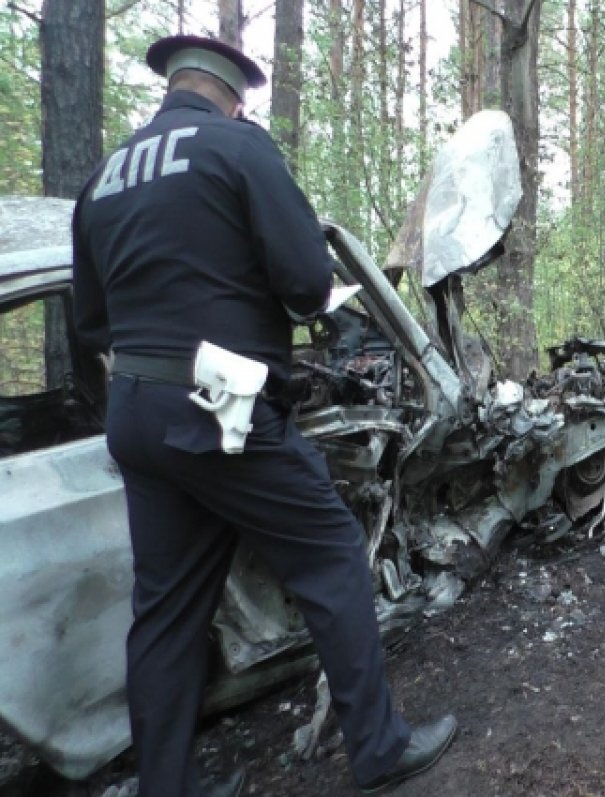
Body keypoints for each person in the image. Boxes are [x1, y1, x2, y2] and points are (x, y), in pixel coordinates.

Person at [71, 35, 457, 797]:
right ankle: (379, 749)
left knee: (166, 609)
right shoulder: (236, 149)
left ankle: (168, 787)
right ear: (232, 95)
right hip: (217, 413)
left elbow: (90, 321)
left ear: (173, 87)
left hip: (137, 416)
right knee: (331, 555)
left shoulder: (105, 175)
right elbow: (310, 281)